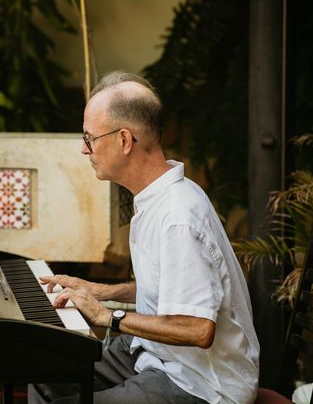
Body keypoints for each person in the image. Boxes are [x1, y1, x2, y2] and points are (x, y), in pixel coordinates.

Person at [30, 70, 259, 404]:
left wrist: (109, 316)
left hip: (201, 384)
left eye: (90, 138)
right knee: (44, 375)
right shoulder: (156, 198)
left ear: (124, 140)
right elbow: (172, 290)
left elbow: (198, 328)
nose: (84, 149)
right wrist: (101, 291)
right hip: (155, 356)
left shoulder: (178, 217)